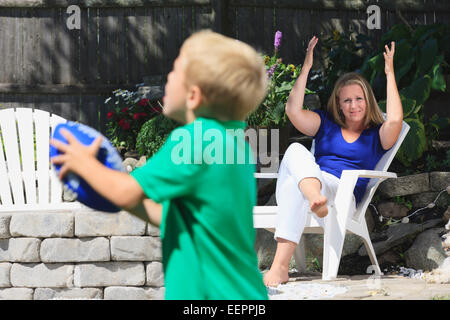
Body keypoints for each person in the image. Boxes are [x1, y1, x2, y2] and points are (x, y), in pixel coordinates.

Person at [50, 30, 269, 300]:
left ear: (193, 95)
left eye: (174, 71)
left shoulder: (192, 140)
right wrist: (122, 193)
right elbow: (173, 216)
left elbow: (125, 191)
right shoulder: (237, 146)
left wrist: (84, 163)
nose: (168, 78)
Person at [263, 36, 403, 287]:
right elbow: (293, 111)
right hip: (318, 186)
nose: (353, 105)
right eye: (347, 100)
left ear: (368, 100)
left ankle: (279, 266)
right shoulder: (325, 123)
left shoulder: (376, 135)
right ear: (338, 104)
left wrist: (390, 73)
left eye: (359, 99)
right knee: (295, 148)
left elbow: (394, 121)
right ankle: (282, 264)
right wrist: (305, 68)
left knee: (296, 185)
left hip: (342, 195)